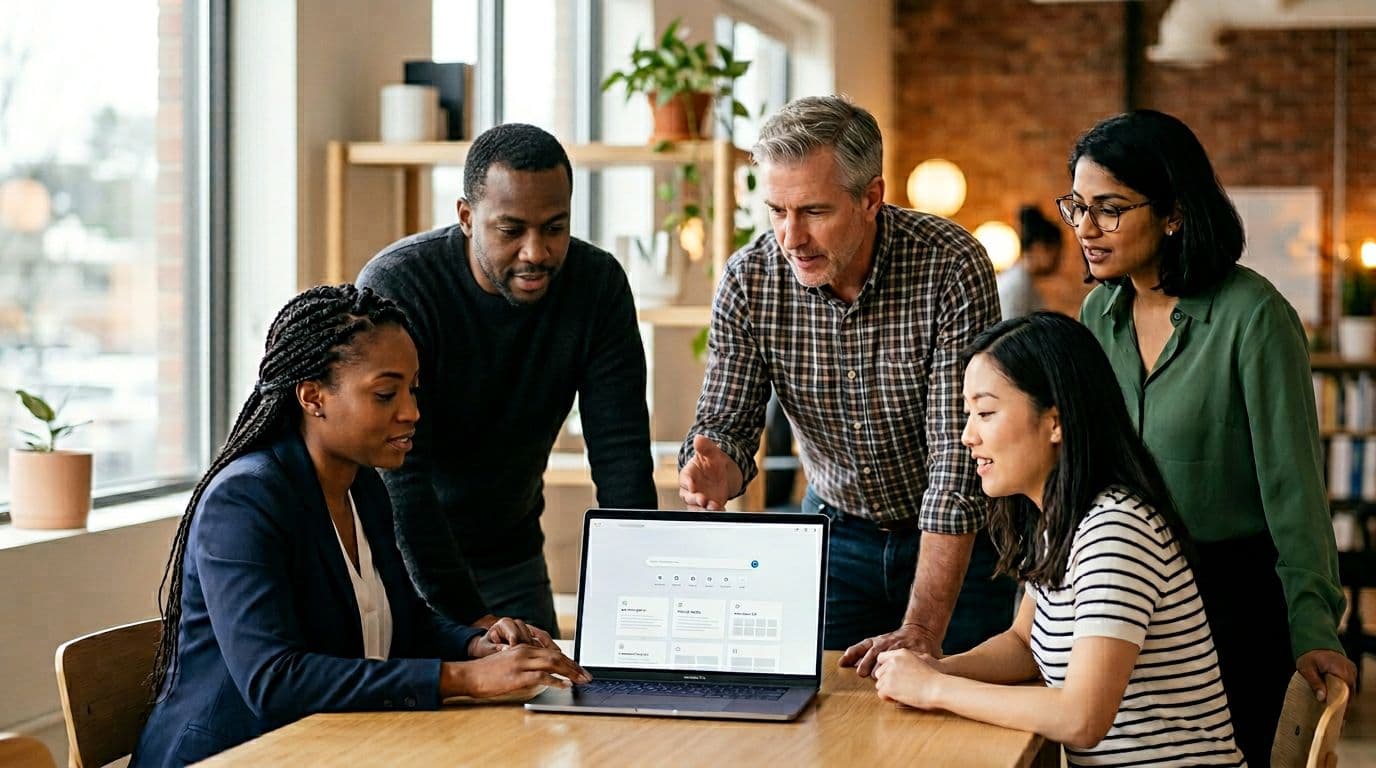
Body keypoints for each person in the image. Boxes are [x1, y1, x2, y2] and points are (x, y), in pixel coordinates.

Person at [133, 285, 588, 767]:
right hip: (232, 756)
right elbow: (273, 680)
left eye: (413, 389)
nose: (411, 411)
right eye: (386, 393)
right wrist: (463, 679)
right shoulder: (244, 500)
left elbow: (404, 622)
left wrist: (479, 645)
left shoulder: (363, 486)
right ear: (312, 397)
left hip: (329, 747)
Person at [677, 95, 1013, 665]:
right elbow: (725, 427)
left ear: (870, 198)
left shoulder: (950, 265)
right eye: (777, 211)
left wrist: (923, 630)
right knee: (826, 725)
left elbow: (956, 470)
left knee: (963, 729)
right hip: (835, 536)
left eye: (813, 211)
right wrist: (714, 469)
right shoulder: (750, 278)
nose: (791, 238)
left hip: (965, 545)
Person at [1067, 109, 1354, 764]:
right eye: (1077, 206)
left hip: (1231, 605)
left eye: (1109, 209)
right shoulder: (1097, 314)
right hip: (1119, 597)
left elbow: (1295, 490)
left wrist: (1314, 626)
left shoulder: (1255, 316)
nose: (1086, 228)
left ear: (1172, 212)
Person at [873, 312, 1245, 767]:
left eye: (986, 412)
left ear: (1055, 422)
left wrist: (935, 689)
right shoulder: (1063, 520)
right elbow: (1023, 644)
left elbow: (1082, 718)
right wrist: (936, 668)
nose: (968, 436)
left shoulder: (1115, 530)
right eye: (968, 414)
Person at [357, 123, 656, 638]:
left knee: (545, 704)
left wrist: (638, 602)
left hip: (510, 549)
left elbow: (621, 454)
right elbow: (402, 478)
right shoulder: (400, 286)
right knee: (418, 712)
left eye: (555, 228)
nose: (536, 252)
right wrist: (474, 622)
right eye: (511, 230)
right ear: (467, 218)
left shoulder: (597, 285)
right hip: (396, 555)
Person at [996, 204, 1062, 318]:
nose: (1058, 260)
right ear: (1039, 247)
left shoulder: (1023, 281)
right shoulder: (1017, 286)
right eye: (1056, 253)